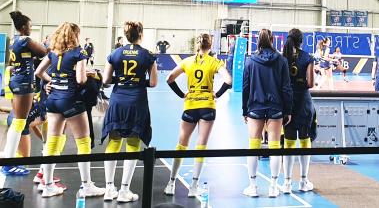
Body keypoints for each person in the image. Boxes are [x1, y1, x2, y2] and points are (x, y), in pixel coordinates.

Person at [34, 22, 104, 198]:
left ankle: (48, 185)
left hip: (53, 101)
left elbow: (38, 72)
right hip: (70, 100)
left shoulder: (53, 52)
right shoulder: (79, 52)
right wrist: (91, 74)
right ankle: (87, 185)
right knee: (84, 142)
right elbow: (80, 79)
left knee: (52, 142)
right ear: (75, 35)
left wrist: (53, 81)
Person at [164, 33, 232, 197]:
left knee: (182, 144)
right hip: (207, 105)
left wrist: (182, 95)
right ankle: (194, 186)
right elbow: (228, 80)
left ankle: (171, 183)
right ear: (210, 46)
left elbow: (169, 78)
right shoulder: (214, 62)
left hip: (190, 105)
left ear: (197, 45)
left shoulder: (187, 61)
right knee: (201, 145)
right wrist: (217, 94)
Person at [101, 21, 157, 203]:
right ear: (141, 34)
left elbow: (106, 80)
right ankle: (124, 190)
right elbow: (153, 82)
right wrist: (137, 80)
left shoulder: (115, 53)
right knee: (133, 142)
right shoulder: (147, 55)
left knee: (114, 141)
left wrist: (122, 79)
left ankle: (109, 188)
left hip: (118, 101)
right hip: (136, 101)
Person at [242, 29, 293, 198]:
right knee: (274, 147)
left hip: (255, 108)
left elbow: (246, 88)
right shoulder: (282, 61)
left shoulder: (250, 61)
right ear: (272, 40)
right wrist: (288, 110)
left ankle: (253, 186)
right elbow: (286, 88)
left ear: (258, 40)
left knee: (253, 146)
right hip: (275, 108)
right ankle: (273, 186)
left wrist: (245, 110)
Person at [3, 11, 47, 164]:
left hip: (16, 81)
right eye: (29, 26)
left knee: (17, 121)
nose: (31, 28)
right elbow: (44, 52)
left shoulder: (14, 41)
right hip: (24, 83)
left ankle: (9, 158)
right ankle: (8, 163)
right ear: (23, 27)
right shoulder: (26, 40)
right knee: (19, 122)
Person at [281, 28, 315, 194]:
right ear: (301, 41)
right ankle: (303, 181)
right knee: (304, 140)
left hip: (288, 104)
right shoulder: (307, 57)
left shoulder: (282, 58)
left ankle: (287, 183)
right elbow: (311, 83)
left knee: (288, 142)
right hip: (303, 103)